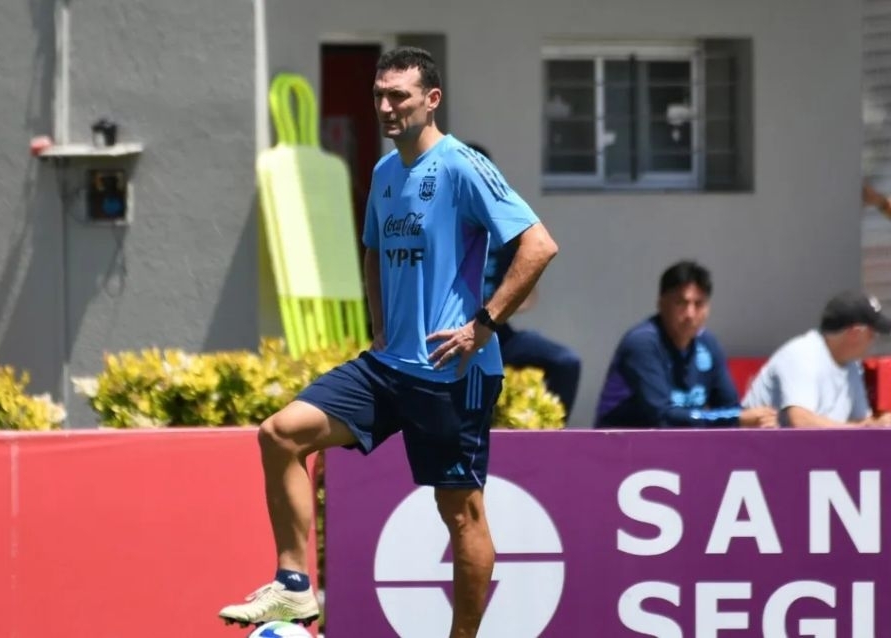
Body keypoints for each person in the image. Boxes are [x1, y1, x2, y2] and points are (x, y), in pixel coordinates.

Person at [218, 47, 558, 638]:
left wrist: (483, 323)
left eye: (398, 95)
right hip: (387, 366)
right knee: (280, 434)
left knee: (461, 514)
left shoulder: (463, 166)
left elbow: (539, 245)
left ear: (432, 100)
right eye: (379, 95)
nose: (385, 106)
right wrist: (379, 327)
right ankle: (294, 585)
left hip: (452, 374)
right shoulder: (382, 173)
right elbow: (373, 252)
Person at [467, 142, 581, 424]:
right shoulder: (439, 227)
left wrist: (499, 305)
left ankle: (549, 436)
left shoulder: (503, 229)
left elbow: (528, 292)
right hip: (450, 335)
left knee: (566, 362)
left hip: (496, 332)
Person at [595, 260, 777, 429]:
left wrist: (757, 420)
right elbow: (662, 417)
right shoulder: (642, 343)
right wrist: (736, 418)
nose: (690, 314)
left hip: (679, 446)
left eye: (699, 304)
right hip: (621, 445)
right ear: (661, 303)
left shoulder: (708, 344)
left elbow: (729, 408)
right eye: (681, 303)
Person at [742, 290, 891, 427]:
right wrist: (863, 428)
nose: (874, 339)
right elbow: (801, 422)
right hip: (759, 446)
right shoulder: (802, 354)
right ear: (855, 333)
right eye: (873, 333)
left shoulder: (852, 365)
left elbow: (859, 421)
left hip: (811, 446)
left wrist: (878, 424)